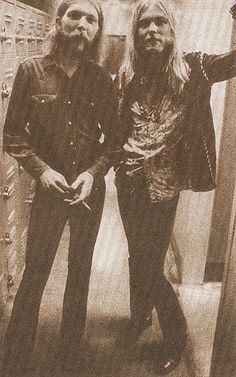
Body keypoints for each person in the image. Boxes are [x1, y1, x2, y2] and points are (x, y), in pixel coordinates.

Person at [115, 0, 236, 374]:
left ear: (171, 31)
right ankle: (139, 316)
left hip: (164, 185)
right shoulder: (126, 76)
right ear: (135, 34)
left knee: (151, 264)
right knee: (139, 254)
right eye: (144, 24)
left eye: (160, 23)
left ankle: (175, 334)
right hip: (129, 180)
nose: (152, 30)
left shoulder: (194, 67)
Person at [1, 0, 119, 375]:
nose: (82, 24)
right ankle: (15, 359)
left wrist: (94, 173)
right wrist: (42, 171)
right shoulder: (30, 71)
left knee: (80, 271)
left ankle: (69, 356)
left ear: (97, 30)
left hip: (87, 191)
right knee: (36, 270)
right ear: (59, 22)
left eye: (91, 19)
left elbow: (114, 141)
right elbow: (13, 136)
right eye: (75, 16)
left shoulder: (100, 79)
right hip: (50, 191)